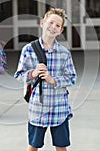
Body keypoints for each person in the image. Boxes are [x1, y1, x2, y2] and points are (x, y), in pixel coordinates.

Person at [14, 8, 77, 151]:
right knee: (33, 146)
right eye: (51, 22)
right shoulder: (28, 50)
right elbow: (19, 75)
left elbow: (72, 78)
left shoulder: (64, 53)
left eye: (57, 25)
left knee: (61, 146)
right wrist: (33, 73)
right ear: (43, 23)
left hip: (59, 108)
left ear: (61, 31)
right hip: (38, 108)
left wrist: (53, 80)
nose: (53, 27)